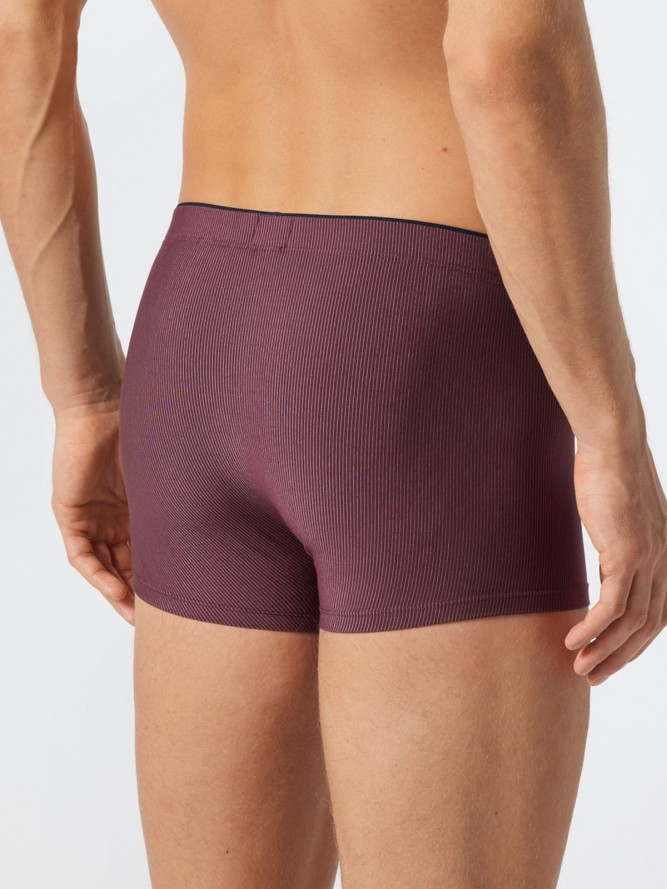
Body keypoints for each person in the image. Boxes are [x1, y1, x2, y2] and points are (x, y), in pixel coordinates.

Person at [2, 0, 666, 886]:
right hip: (424, 350)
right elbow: (504, 59)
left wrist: (85, 397)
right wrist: (612, 432)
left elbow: (22, 33)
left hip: (199, 335)